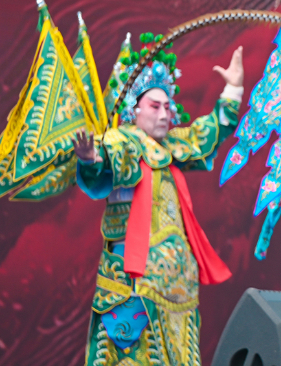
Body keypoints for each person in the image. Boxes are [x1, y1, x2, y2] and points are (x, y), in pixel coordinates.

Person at [72, 36, 244, 366]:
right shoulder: (124, 142)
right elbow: (110, 159)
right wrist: (92, 159)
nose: (165, 114)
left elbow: (206, 134)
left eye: (168, 107)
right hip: (133, 287)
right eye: (155, 106)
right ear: (133, 110)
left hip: (177, 289)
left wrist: (233, 89)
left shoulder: (171, 146)